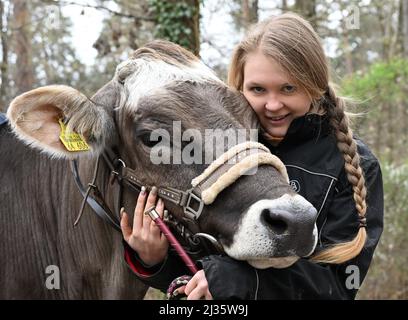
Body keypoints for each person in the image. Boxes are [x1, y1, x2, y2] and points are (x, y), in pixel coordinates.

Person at [120, 12, 384, 299]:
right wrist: (155, 260)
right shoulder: (216, 148)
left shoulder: (355, 165)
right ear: (239, 86)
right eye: (258, 89)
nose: (272, 104)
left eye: (288, 88)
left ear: (315, 86)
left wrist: (238, 282)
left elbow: (340, 287)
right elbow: (195, 274)